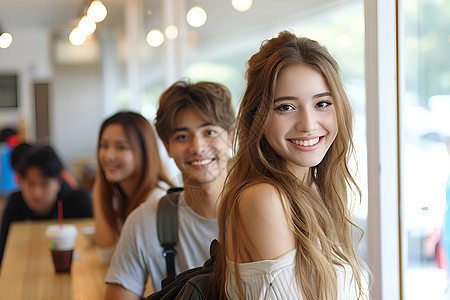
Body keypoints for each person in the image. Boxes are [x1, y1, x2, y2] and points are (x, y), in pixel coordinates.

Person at [211, 31, 369, 299]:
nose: (308, 124)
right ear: (257, 116)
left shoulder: (315, 190)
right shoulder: (264, 198)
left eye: (322, 103)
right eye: (286, 107)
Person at [104, 80, 235, 299]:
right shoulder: (145, 222)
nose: (197, 147)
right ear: (167, 146)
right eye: (182, 136)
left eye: (209, 132)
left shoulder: (263, 214)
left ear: (231, 137)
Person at [92, 111, 173, 263]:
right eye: (104, 145)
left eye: (121, 147)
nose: (109, 155)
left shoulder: (156, 200)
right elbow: (107, 253)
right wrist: (99, 189)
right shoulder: (120, 196)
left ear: (144, 152)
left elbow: (113, 259)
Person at [0, 145, 92, 266]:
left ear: (58, 183)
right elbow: (3, 251)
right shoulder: (15, 202)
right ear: (21, 183)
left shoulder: (79, 202)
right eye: (30, 183)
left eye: (45, 184)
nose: (37, 193)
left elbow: (92, 249)